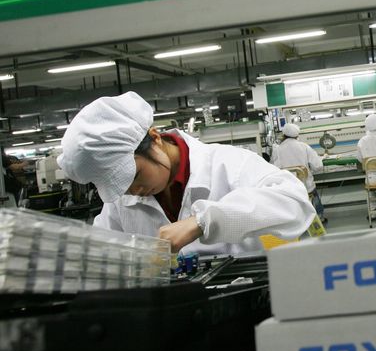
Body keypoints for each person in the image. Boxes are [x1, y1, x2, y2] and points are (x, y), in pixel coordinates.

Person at [57, 92, 316, 254]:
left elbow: (295, 203)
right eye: (118, 185)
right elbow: (102, 250)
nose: (132, 191)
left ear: (154, 138)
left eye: (133, 175)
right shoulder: (120, 204)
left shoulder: (228, 165)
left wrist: (203, 221)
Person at [270, 123, 326, 223]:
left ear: (284, 135)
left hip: (287, 188)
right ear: (297, 135)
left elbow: (275, 169)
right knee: (312, 192)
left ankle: (295, 221)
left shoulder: (277, 150)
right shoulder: (304, 147)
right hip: (306, 187)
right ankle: (319, 217)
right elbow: (318, 166)